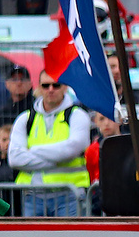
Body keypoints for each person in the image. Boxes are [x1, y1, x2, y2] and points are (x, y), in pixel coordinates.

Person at [7, 73, 92, 217]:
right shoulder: (25, 118)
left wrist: (32, 151)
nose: (51, 89)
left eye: (56, 85)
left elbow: (72, 149)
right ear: (39, 88)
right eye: (45, 86)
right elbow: (15, 159)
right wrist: (58, 157)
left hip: (69, 195)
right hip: (33, 197)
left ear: (65, 87)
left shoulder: (78, 115)